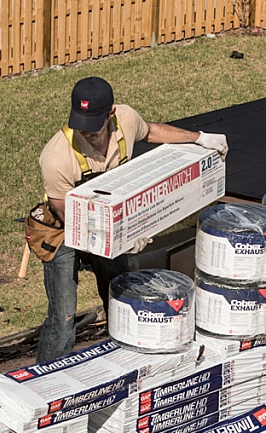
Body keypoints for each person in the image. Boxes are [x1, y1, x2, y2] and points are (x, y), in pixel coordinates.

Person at [36, 76, 228, 363]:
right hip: (65, 230)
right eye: (81, 125)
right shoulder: (56, 158)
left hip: (111, 223)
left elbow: (152, 131)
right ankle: (47, 378)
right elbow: (69, 216)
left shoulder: (125, 119)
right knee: (63, 318)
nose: (86, 133)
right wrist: (120, 239)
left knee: (120, 295)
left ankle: (123, 360)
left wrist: (199, 138)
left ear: (110, 114)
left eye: (93, 127)